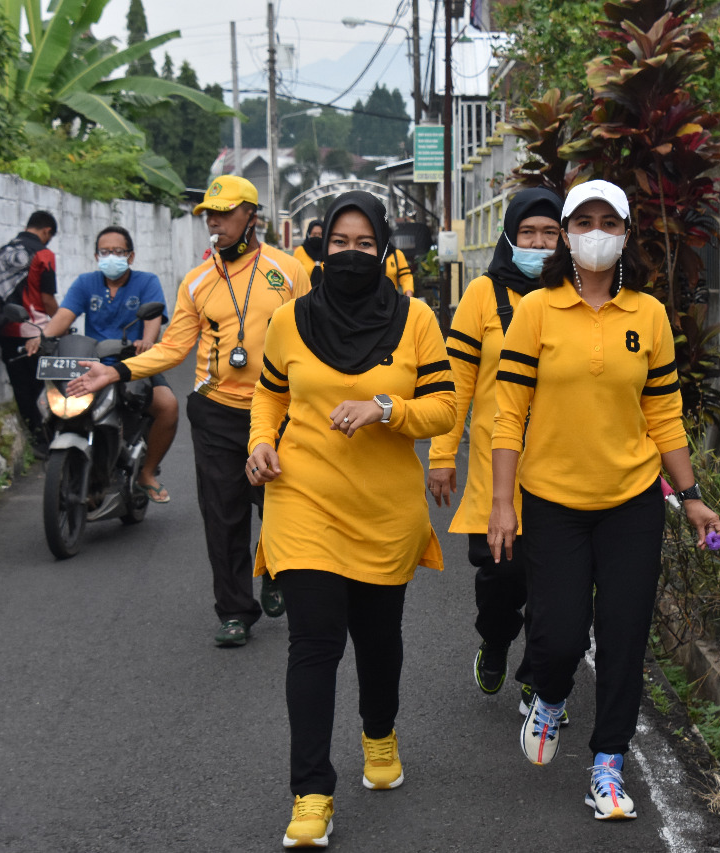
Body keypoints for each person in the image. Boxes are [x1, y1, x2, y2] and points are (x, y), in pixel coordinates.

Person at [487, 179, 720, 821]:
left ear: (625, 234)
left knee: (624, 636)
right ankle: (552, 695)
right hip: (553, 501)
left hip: (633, 502)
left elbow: (665, 415)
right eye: (583, 220)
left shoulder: (648, 315)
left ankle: (607, 767)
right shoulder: (535, 311)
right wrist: (503, 503)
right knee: (559, 637)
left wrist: (692, 496)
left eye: (609, 221)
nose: (596, 232)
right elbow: (509, 415)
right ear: (566, 233)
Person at [245, 191, 455, 848]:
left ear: (385, 247)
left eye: (366, 244)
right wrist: (260, 442)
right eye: (340, 243)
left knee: (379, 637)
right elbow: (269, 392)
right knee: (313, 642)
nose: (352, 254)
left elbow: (446, 406)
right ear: (320, 245)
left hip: (384, 509)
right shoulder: (290, 319)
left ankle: (379, 730)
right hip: (302, 497)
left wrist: (388, 408)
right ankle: (311, 790)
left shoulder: (416, 319)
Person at [67, 176, 309, 647]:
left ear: (250, 217)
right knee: (223, 512)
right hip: (216, 410)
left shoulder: (288, 271)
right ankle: (236, 610)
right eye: (208, 215)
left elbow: (311, 336)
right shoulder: (197, 281)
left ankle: (275, 565)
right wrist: (115, 371)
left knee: (281, 503)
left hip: (280, 410)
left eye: (223, 213)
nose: (213, 222)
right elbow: (174, 347)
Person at [427, 187, 567, 716]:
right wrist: (443, 455)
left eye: (550, 233)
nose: (538, 243)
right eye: (528, 232)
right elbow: (456, 383)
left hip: (560, 474)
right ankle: (495, 641)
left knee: (556, 591)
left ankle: (538, 680)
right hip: (496, 477)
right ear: (510, 236)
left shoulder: (576, 296)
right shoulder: (483, 296)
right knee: (502, 582)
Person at [26, 225, 178, 502]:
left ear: (130, 256)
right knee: (51, 402)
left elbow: (152, 321)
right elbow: (64, 316)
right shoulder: (86, 283)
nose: (111, 257)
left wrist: (146, 342)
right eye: (105, 252)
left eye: (118, 252)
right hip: (90, 365)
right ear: (96, 255)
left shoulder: (147, 282)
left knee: (168, 406)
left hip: (134, 364)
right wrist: (43, 338)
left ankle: (146, 473)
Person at [0, 210, 58, 456]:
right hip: (37, 331)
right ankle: (51, 436)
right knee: (47, 386)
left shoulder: (2, 252)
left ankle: (38, 441)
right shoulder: (44, 254)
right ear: (47, 231)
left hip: (8, 330)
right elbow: (46, 298)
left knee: (22, 389)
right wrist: (62, 318)